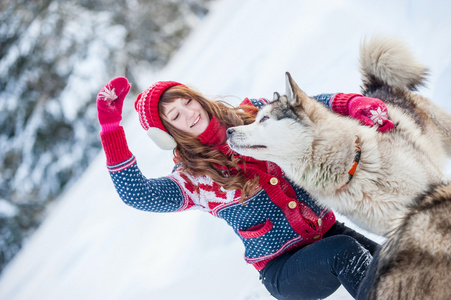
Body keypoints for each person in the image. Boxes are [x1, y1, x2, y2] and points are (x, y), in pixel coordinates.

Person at [96, 77, 393, 299]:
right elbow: (137, 194)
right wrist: (111, 129)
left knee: (398, 262)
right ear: (169, 135)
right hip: (284, 269)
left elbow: (311, 110)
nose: (188, 113)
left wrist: (353, 105)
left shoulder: (255, 115)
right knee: (345, 252)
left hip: (327, 232)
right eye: (175, 116)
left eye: (187, 101)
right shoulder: (194, 180)